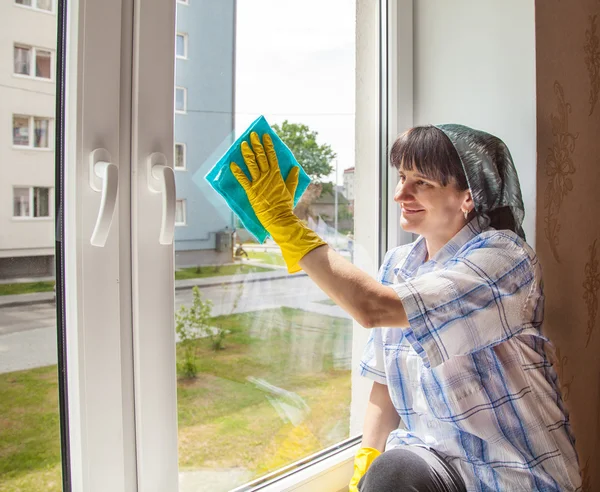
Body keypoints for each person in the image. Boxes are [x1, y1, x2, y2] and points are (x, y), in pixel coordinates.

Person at [230, 125, 582, 491]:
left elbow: (372, 307)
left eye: (422, 182)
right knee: (391, 469)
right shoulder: (397, 265)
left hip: (510, 475)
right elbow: (385, 384)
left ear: (468, 197)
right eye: (401, 177)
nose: (400, 194)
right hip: (435, 467)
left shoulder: (505, 260)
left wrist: (287, 225)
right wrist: (365, 461)